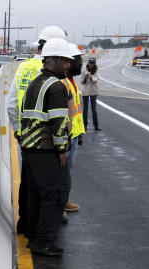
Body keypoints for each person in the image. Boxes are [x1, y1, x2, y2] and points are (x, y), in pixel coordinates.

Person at [8, 25, 66, 239]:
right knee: (47, 188)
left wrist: (18, 129)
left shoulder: (23, 68)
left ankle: (25, 223)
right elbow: (60, 111)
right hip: (47, 141)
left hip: (25, 137)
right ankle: (41, 233)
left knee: (27, 183)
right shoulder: (57, 73)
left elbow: (12, 103)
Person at [19, 38, 76, 257]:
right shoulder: (56, 86)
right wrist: (62, 149)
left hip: (30, 149)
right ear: (53, 61)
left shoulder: (35, 83)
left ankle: (34, 237)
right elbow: (59, 121)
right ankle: (43, 242)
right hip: (46, 150)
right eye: (65, 61)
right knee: (56, 195)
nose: (68, 66)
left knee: (36, 195)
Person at [62, 48, 85, 216]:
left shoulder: (72, 81)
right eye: (76, 60)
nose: (80, 63)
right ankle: (59, 205)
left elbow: (77, 111)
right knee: (61, 171)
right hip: (66, 136)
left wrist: (80, 132)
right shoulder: (63, 83)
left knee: (67, 171)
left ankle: (63, 201)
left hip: (75, 134)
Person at [81, 57, 100, 131]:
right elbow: (81, 82)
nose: (91, 65)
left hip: (93, 91)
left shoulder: (97, 70)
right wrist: (85, 78)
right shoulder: (84, 71)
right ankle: (84, 125)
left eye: (93, 63)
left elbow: (97, 78)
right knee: (85, 109)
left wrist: (91, 77)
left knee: (94, 109)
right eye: (90, 63)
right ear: (88, 63)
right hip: (85, 91)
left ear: (95, 64)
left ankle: (96, 125)